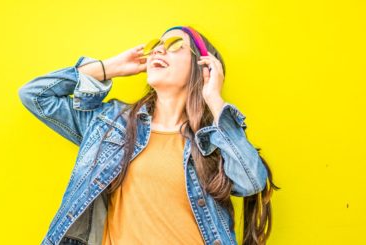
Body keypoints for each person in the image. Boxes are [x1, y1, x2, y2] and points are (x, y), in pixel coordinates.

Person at [19, 25, 279, 245]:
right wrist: (108, 68)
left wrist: (214, 98)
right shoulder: (110, 124)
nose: (159, 49)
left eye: (176, 45)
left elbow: (252, 182)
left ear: (205, 66)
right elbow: (35, 95)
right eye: (157, 45)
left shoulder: (212, 140)